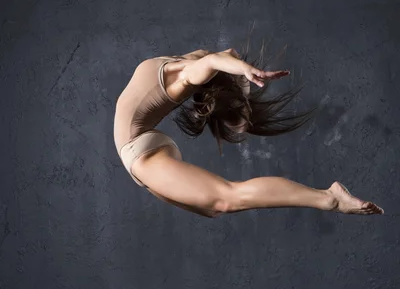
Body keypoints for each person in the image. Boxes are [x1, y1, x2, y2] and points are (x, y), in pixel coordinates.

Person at [113, 47, 384, 219]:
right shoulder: (190, 66)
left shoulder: (185, 68)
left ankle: (329, 199)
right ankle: (327, 198)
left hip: (139, 152)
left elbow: (213, 60)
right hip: (143, 148)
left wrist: (240, 71)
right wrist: (242, 72)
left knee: (227, 198)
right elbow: (218, 58)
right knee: (210, 209)